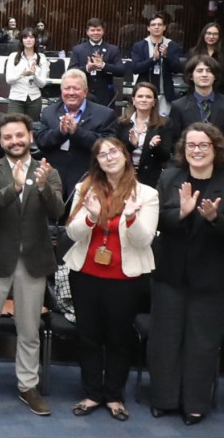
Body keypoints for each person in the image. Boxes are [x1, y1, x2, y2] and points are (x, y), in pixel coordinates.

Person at [148, 122, 224, 424]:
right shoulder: (169, 177)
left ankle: (195, 403)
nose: (197, 151)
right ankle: (164, 399)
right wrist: (181, 212)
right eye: (191, 145)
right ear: (183, 149)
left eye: (203, 145)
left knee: (201, 343)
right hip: (170, 273)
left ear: (215, 148)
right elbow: (158, 219)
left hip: (212, 277)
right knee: (165, 339)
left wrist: (214, 218)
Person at [0, 113, 62, 416]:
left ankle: (27, 386)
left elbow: (57, 211)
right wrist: (15, 188)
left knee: (30, 329)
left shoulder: (48, 171)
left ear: (30, 136)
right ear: (0, 140)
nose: (15, 141)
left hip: (32, 260)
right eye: (8, 137)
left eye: (20, 135)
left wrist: (43, 187)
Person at [64, 135, 158, 422]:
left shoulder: (146, 194)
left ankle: (114, 395)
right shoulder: (85, 189)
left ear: (125, 155)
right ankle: (92, 392)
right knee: (89, 336)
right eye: (103, 155)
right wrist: (91, 217)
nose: (110, 157)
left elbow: (144, 241)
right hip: (86, 273)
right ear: (97, 162)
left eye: (114, 151)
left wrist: (130, 218)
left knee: (118, 338)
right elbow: (72, 233)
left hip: (125, 277)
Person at [36, 68, 114, 191]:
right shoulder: (48, 112)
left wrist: (77, 132)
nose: (71, 93)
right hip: (54, 180)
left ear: (85, 91)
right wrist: (60, 132)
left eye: (76, 88)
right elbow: (41, 142)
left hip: (89, 179)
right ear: (61, 91)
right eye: (67, 88)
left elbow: (108, 146)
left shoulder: (104, 114)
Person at [163, 55, 224, 153]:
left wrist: (211, 146)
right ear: (191, 76)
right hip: (189, 162)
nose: (204, 75)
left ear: (215, 76)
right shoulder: (178, 106)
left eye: (209, 71)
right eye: (199, 71)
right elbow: (174, 142)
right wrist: (195, 147)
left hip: (220, 161)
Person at [115, 81, 169, 186]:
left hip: (151, 178)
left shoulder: (164, 123)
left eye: (148, 97)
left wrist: (155, 147)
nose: (144, 100)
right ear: (133, 100)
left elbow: (166, 156)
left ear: (154, 102)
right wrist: (132, 145)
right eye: (140, 96)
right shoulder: (121, 123)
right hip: (124, 175)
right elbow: (116, 152)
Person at [67, 18, 126, 109]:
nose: (95, 33)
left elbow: (121, 71)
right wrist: (87, 68)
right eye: (92, 30)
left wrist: (103, 65)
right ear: (87, 32)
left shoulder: (113, 49)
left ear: (103, 31)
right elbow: (70, 71)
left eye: (98, 30)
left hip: (105, 94)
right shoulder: (78, 49)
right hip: (84, 93)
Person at [129, 14, 185, 104]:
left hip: (165, 94)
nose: (156, 27)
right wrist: (153, 59)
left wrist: (167, 56)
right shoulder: (140, 46)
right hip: (144, 94)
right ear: (148, 28)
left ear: (164, 27)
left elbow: (178, 68)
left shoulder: (172, 45)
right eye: (153, 25)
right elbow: (135, 69)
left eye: (159, 25)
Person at [1, 27, 51, 119]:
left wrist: (34, 75)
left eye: (31, 37)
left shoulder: (41, 58)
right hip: (16, 97)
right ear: (21, 40)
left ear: (35, 40)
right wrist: (22, 74)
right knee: (14, 124)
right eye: (25, 37)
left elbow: (42, 84)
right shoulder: (13, 57)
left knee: (32, 127)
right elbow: (9, 80)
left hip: (34, 98)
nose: (28, 40)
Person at [192, 22, 224, 93]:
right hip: (196, 92)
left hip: (219, 93)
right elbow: (187, 74)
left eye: (215, 34)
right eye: (208, 33)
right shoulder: (193, 52)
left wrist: (213, 79)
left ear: (219, 36)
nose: (211, 37)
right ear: (203, 34)